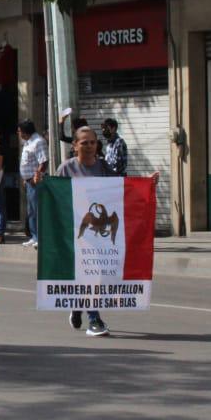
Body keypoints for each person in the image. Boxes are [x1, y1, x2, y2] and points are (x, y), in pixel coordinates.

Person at [57, 125, 160, 337]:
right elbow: (54, 196)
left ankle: (78, 305)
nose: (89, 146)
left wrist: (147, 182)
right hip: (77, 232)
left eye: (92, 142)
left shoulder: (103, 168)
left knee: (99, 274)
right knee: (90, 273)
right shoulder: (66, 169)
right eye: (84, 142)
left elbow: (122, 188)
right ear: (75, 145)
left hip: (100, 233)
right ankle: (94, 318)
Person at [18, 120, 49, 248]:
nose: (18, 133)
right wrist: (25, 179)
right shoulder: (27, 142)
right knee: (31, 211)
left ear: (25, 131)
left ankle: (40, 238)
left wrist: (36, 176)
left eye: (19, 131)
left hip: (36, 182)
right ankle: (34, 236)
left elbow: (44, 162)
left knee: (37, 210)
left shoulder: (38, 142)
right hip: (28, 182)